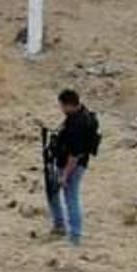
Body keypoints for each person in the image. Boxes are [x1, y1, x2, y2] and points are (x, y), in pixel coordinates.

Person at [47, 89, 100, 246]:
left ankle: (75, 236)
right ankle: (59, 225)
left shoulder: (78, 124)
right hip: (69, 162)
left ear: (69, 105)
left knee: (71, 199)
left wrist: (65, 175)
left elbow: (74, 155)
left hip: (72, 166)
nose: (61, 109)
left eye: (62, 106)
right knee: (54, 193)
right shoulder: (83, 114)